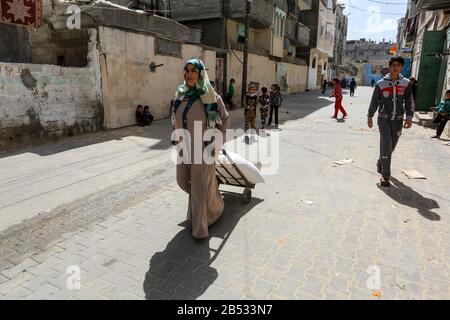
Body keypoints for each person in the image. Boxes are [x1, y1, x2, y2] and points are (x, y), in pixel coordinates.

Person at [171, 58, 230, 240]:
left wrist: (215, 145)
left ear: (201, 73)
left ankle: (200, 229)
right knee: (182, 181)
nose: (189, 75)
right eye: (186, 71)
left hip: (204, 151)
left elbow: (225, 120)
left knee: (198, 188)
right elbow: (174, 118)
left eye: (193, 71)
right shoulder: (180, 95)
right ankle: (214, 206)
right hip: (184, 149)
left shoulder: (212, 97)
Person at [367, 56, 414, 187]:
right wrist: (370, 116)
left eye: (398, 65)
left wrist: (409, 116)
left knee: (391, 147)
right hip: (384, 120)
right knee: (386, 145)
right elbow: (374, 101)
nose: (395, 67)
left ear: (401, 67)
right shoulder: (381, 83)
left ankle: (381, 161)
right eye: (393, 65)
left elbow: (409, 100)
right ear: (390, 66)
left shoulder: (406, 83)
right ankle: (385, 176)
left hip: (398, 121)